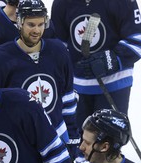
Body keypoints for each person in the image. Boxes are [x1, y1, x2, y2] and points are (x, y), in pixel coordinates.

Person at [0, 0, 80, 159]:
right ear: (19, 22)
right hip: (22, 141)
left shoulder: (59, 51)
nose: (37, 30)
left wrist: (72, 139)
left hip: (58, 137)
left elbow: (67, 98)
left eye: (41, 24)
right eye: (31, 24)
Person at [51, 0, 141, 132]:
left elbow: (137, 39)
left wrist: (110, 60)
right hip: (75, 89)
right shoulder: (61, 3)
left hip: (114, 84)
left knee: (107, 142)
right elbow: (58, 45)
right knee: (78, 142)